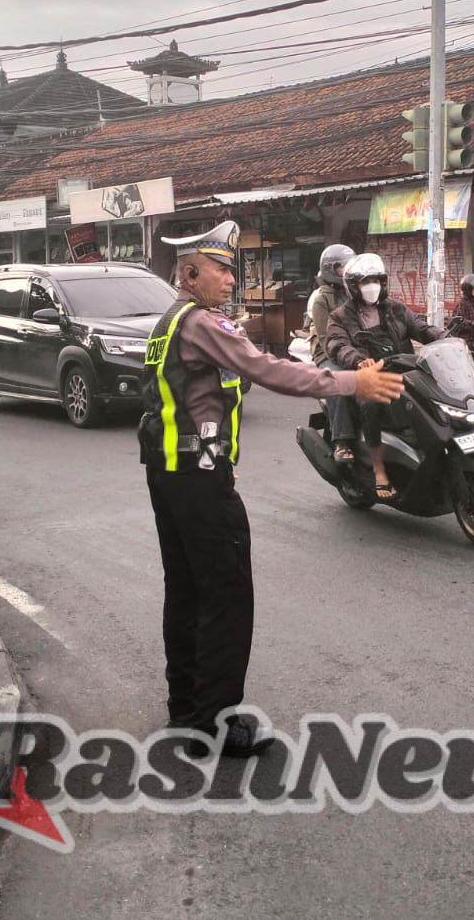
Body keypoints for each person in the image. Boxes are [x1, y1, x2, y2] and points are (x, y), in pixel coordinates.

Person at [140, 221, 404, 759]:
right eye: (222, 270)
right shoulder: (201, 324)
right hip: (198, 480)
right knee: (227, 596)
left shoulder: (170, 320)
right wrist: (357, 383)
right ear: (190, 272)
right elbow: (271, 371)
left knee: (187, 590)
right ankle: (214, 724)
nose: (231, 280)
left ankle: (185, 709)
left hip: (170, 473)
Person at [325, 253, 445, 502]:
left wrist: (442, 336)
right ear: (353, 287)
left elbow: (420, 327)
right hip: (369, 376)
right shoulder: (340, 316)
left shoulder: (395, 308)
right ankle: (379, 470)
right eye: (365, 281)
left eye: (376, 280)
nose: (372, 286)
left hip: (404, 369)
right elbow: (337, 345)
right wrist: (358, 360)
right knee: (371, 405)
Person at [306, 243, 357, 462]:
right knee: (337, 382)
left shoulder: (353, 293)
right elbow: (328, 340)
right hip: (328, 354)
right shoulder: (322, 299)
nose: (348, 271)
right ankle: (341, 441)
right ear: (330, 269)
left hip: (354, 350)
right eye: (343, 267)